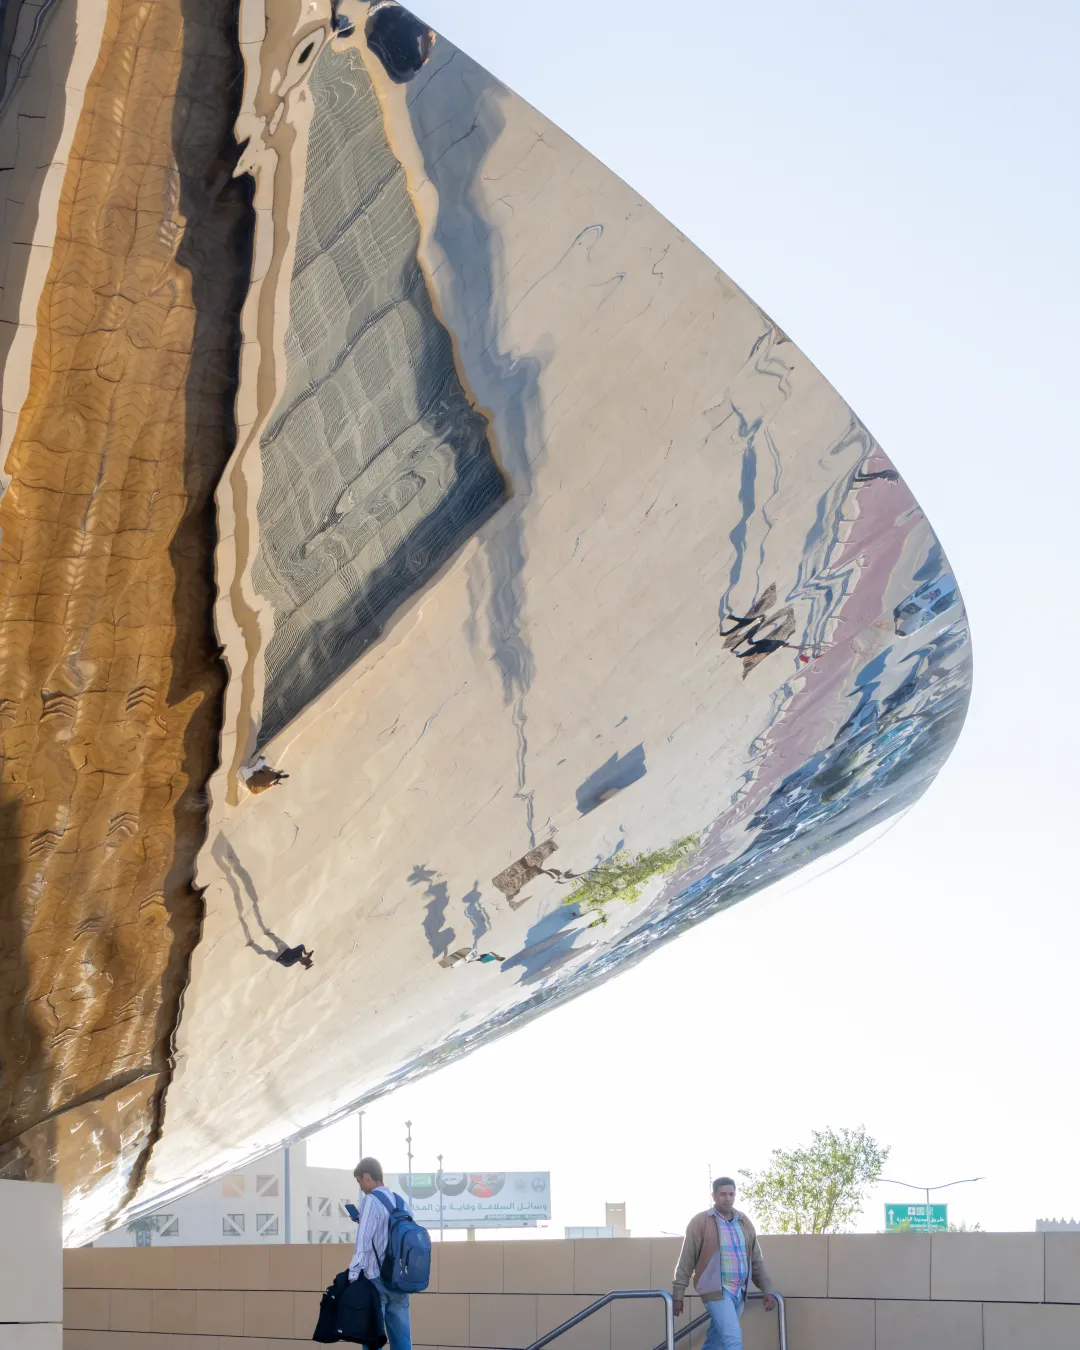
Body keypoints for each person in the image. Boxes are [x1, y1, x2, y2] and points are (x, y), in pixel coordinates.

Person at [673, 1177, 776, 1350]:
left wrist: (767, 1289)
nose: (727, 1198)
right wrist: (678, 1295)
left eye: (731, 1194)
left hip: (739, 1291)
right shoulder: (701, 1222)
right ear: (714, 1196)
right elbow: (686, 1260)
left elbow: (756, 1260)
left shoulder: (744, 1222)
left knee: (716, 1342)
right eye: (723, 1194)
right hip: (717, 1291)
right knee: (733, 1341)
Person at [348, 1157, 412, 1350]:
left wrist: (353, 1274)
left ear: (366, 1177)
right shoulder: (401, 1202)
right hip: (400, 1280)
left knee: (372, 1339)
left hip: (376, 1279)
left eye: (359, 1181)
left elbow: (363, 1241)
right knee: (402, 1339)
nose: (360, 1187)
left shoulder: (371, 1200)